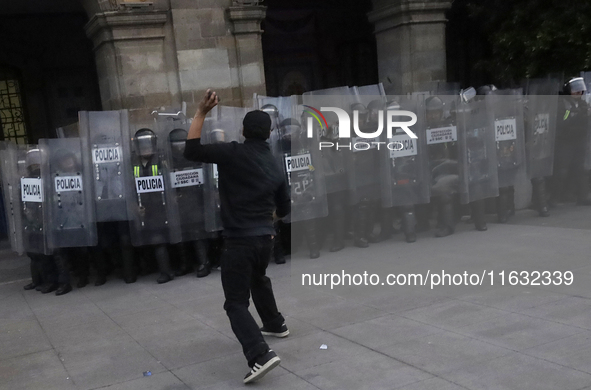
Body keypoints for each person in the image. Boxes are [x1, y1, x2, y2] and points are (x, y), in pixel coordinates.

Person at [184, 90, 290, 384]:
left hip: (240, 240)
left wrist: (202, 113)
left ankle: (260, 354)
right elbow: (284, 208)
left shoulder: (232, 153)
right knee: (257, 278)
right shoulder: (274, 164)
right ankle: (274, 323)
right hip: (265, 239)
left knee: (235, 303)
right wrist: (267, 222)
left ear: (243, 131)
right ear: (268, 134)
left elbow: (191, 150)